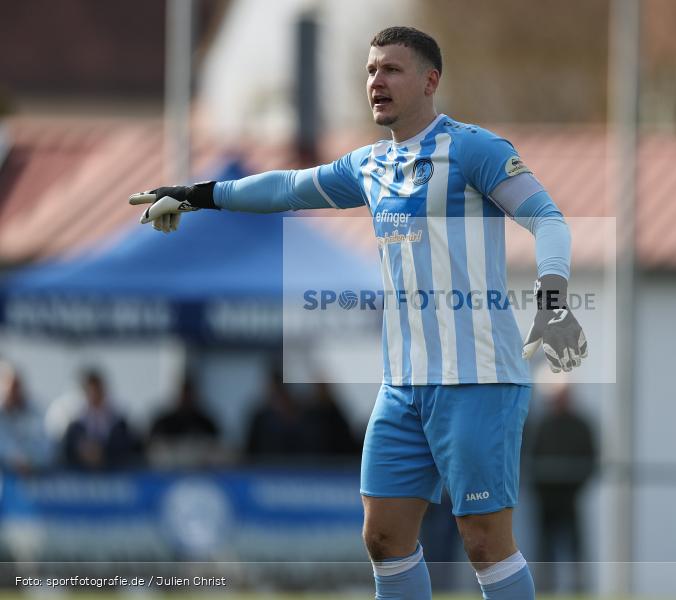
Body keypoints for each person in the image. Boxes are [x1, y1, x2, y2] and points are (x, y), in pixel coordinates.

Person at [128, 26, 587, 600]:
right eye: (371, 70)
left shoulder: (473, 149)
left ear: (430, 80)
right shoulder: (371, 166)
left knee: (484, 542)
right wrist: (197, 195)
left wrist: (552, 299)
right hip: (403, 387)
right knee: (384, 537)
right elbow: (287, 188)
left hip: (478, 379)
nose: (377, 81)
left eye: (392, 69)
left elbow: (549, 219)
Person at [528, 377, 598, 593]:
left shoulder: (581, 425)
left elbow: (590, 460)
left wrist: (574, 485)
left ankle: (579, 588)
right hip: (546, 500)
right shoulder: (542, 425)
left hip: (570, 499)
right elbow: (531, 460)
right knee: (544, 548)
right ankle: (544, 589)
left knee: (574, 547)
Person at [62, 368, 142, 470]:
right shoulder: (76, 424)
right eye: (91, 391)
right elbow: (68, 449)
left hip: (114, 474)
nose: (94, 394)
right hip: (82, 476)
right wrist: (82, 450)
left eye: (97, 390)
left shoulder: (117, 421)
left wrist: (103, 452)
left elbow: (127, 446)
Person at [148, 374, 220, 467]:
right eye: (183, 395)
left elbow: (216, 446)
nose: (186, 399)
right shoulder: (163, 422)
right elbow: (152, 447)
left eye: (189, 395)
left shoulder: (206, 422)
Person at [0, 360, 53, 474]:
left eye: (17, 386)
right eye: (11, 386)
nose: (14, 391)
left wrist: (31, 460)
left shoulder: (35, 411)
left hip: (32, 475)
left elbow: (45, 444)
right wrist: (14, 459)